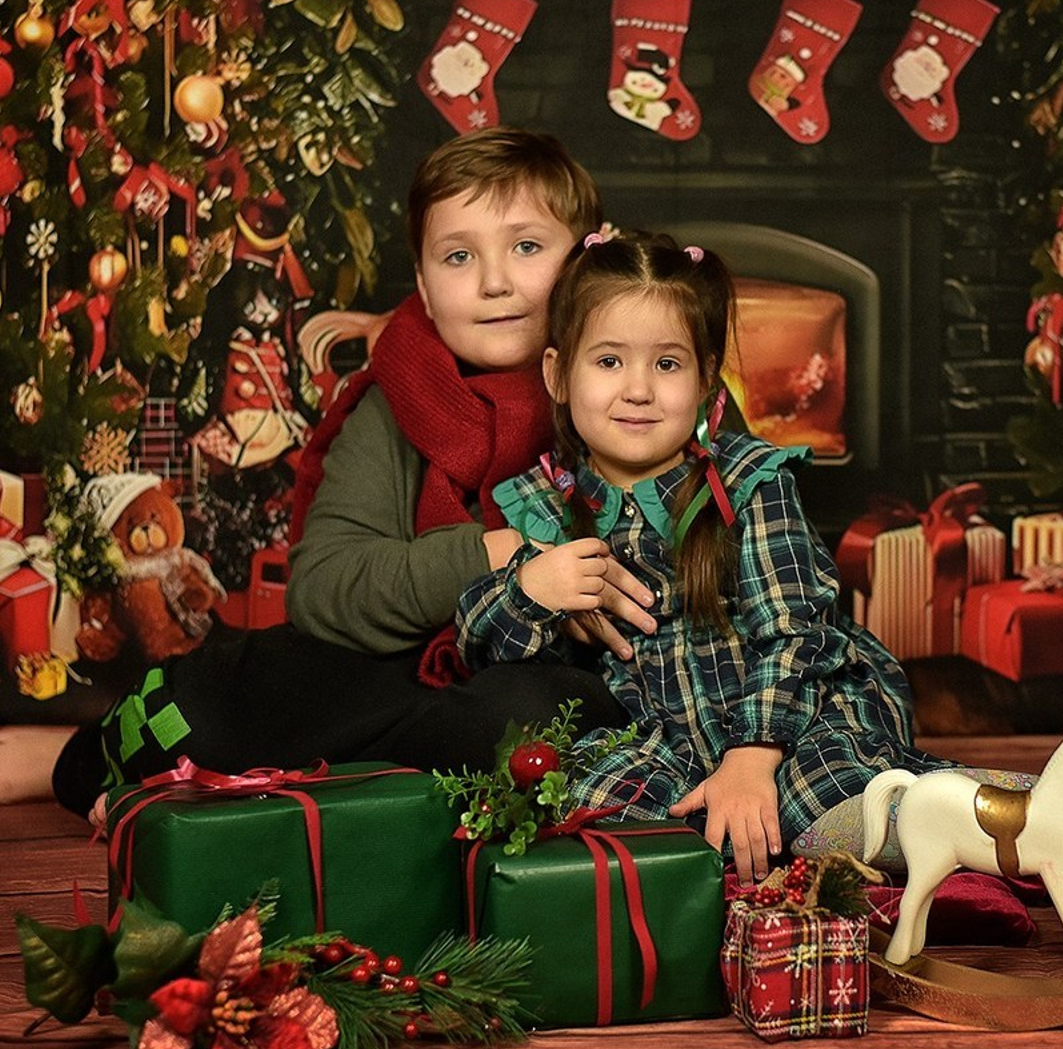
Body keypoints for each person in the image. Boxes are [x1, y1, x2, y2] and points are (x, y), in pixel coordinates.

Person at [48, 128, 654, 816]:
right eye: (460, 256)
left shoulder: (636, 381)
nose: (495, 282)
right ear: (424, 286)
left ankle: (340, 797)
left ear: (586, 257)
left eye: (526, 247)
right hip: (402, 668)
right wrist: (503, 555)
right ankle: (85, 761)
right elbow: (327, 590)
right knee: (233, 687)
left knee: (539, 716)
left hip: (537, 685)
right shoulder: (394, 401)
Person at [454, 230, 950, 884]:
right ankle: (751, 852)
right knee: (585, 793)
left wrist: (751, 758)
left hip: (790, 712)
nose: (638, 390)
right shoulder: (546, 504)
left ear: (706, 379)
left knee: (819, 784)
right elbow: (475, 642)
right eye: (608, 362)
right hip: (667, 741)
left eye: (666, 365)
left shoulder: (750, 480)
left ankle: (993, 815)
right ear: (558, 375)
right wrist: (532, 588)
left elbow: (795, 631)